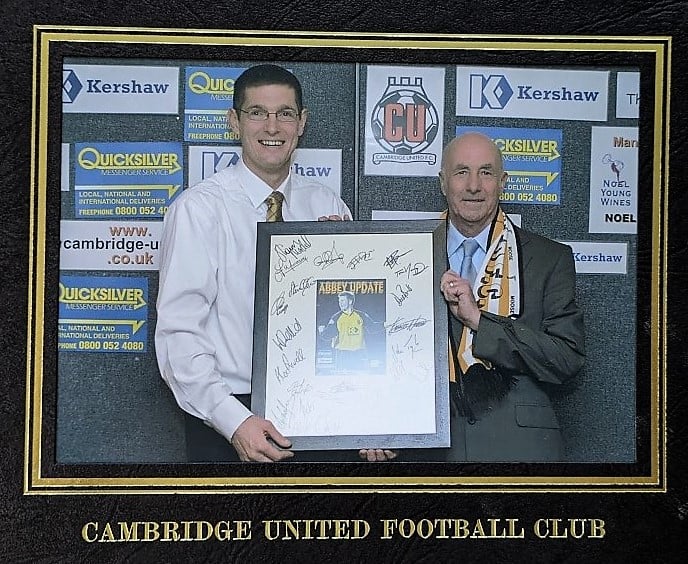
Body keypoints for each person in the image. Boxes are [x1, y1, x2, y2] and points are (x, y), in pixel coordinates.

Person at [155, 64, 352, 463]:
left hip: (321, 418)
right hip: (229, 424)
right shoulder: (198, 210)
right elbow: (179, 334)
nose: (272, 126)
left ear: (302, 123)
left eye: (285, 113)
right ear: (235, 121)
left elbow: (352, 312)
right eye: (258, 112)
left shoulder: (327, 206)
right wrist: (233, 420)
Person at [436, 132, 585, 462]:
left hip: (520, 447)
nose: (474, 185)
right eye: (462, 172)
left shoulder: (549, 258)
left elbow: (566, 360)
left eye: (486, 172)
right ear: (443, 182)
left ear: (502, 182)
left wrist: (479, 321)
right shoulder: (408, 254)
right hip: (431, 449)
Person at [318, 291, 384, 373]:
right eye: (339, 301)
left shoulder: (361, 315)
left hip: (359, 353)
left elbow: (372, 327)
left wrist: (384, 324)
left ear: (350, 301)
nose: (340, 303)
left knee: (359, 379)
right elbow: (327, 335)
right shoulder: (336, 317)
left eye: (342, 301)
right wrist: (321, 331)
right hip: (342, 354)